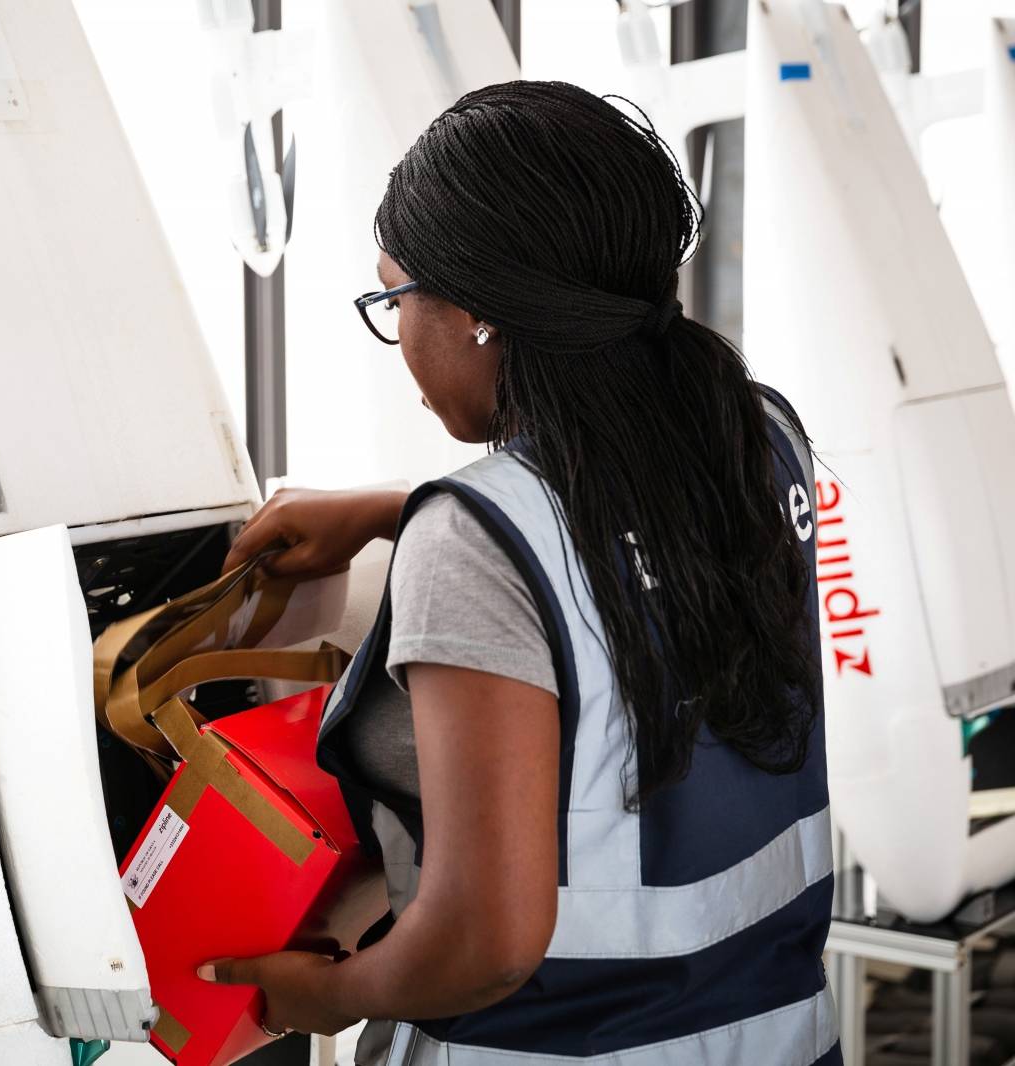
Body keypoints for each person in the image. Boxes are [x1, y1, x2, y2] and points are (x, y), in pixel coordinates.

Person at [199, 81, 839, 1065]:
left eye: (391, 297)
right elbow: (623, 530)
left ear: (476, 314)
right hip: (780, 1034)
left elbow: (481, 949)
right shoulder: (759, 437)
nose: (397, 336)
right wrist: (393, 511)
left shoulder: (478, 544)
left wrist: (324, 994)